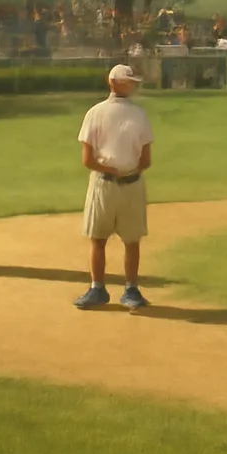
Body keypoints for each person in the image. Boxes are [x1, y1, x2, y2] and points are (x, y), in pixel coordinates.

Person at [74, 64, 154, 310]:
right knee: (99, 238)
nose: (132, 85)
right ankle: (100, 288)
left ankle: (128, 289)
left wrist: (115, 170)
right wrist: (122, 171)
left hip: (112, 184)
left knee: (129, 240)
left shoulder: (136, 114)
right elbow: (87, 159)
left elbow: (147, 158)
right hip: (114, 184)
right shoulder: (98, 113)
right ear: (113, 82)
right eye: (128, 81)